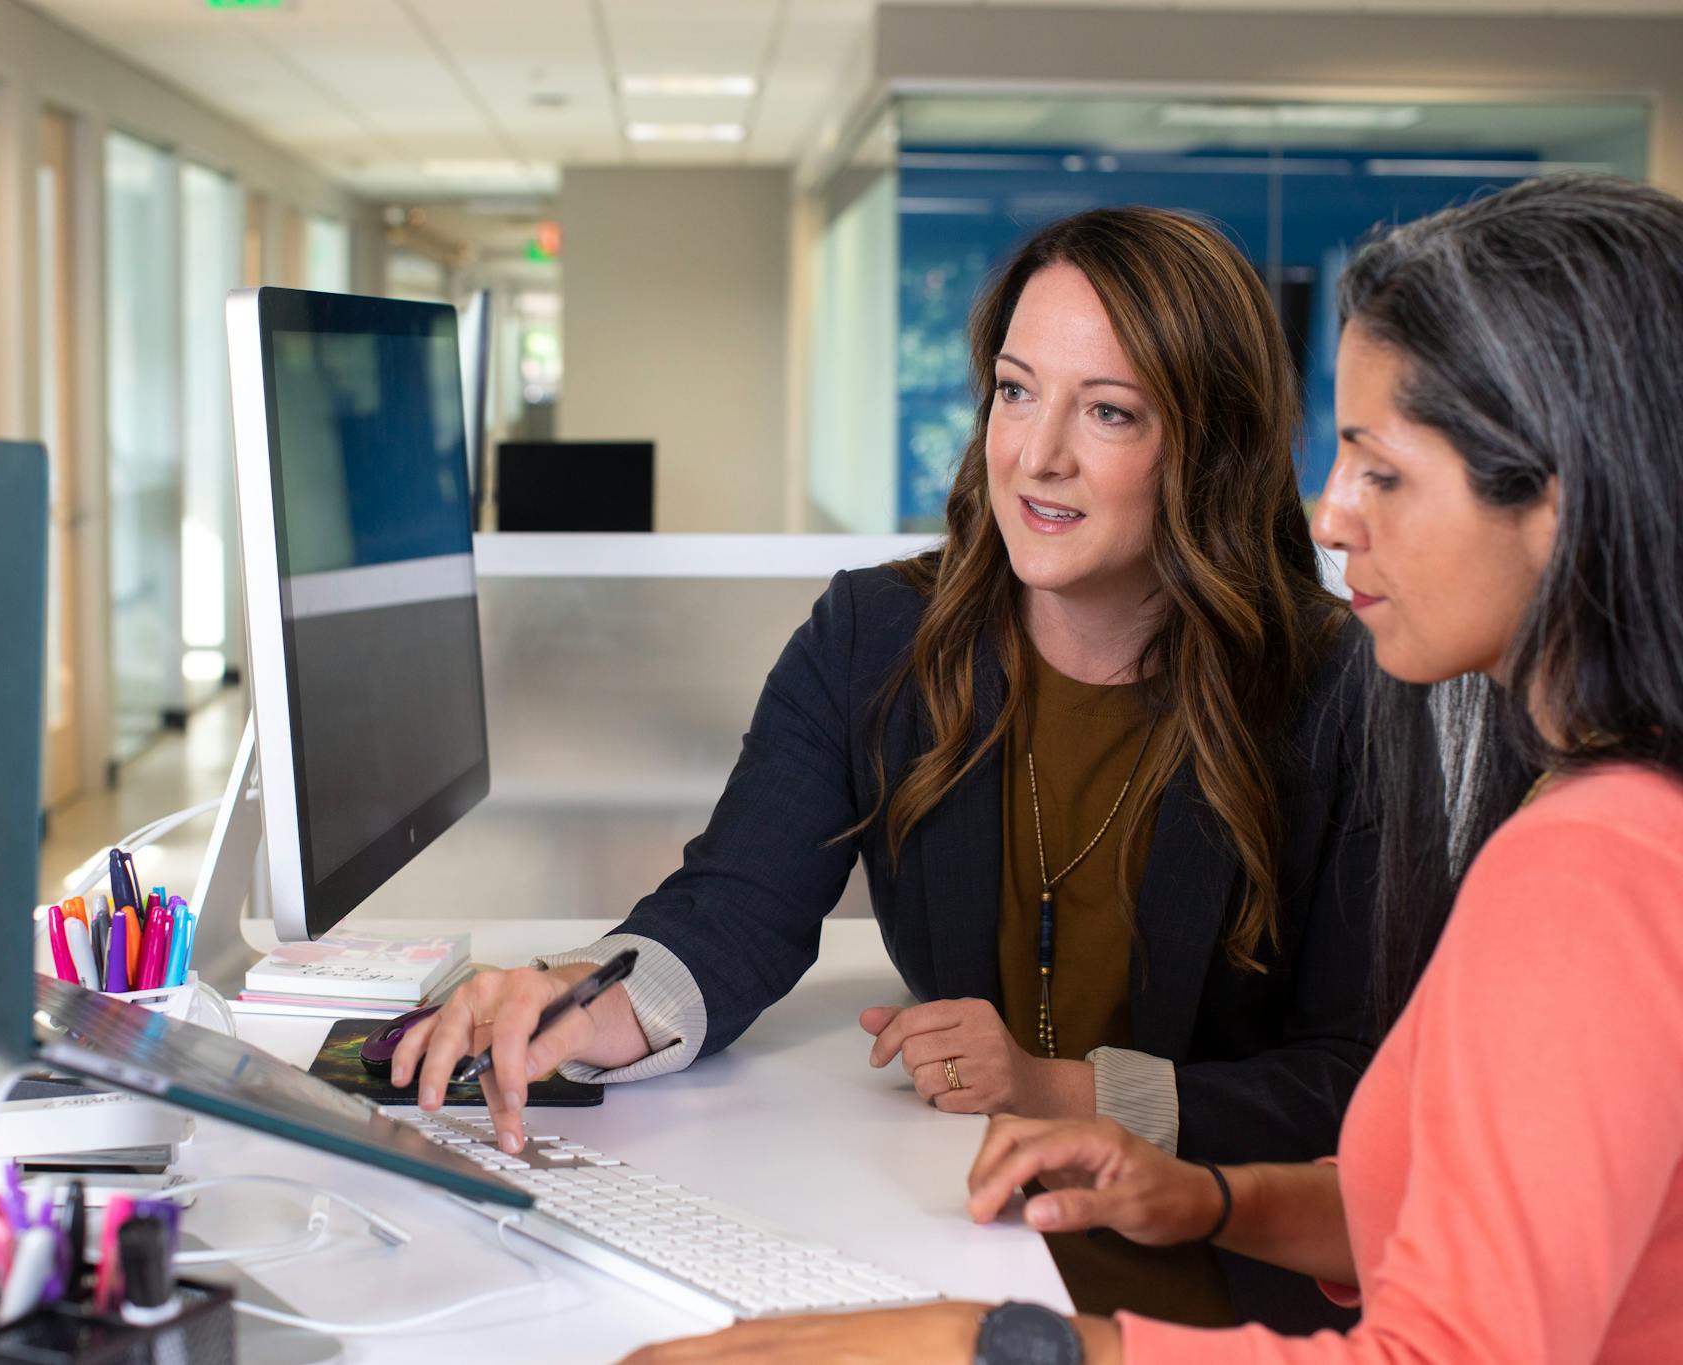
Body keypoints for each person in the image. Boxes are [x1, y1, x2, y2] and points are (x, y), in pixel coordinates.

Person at [624, 172, 1683, 1364]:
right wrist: (1205, 1196)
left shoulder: (1581, 856)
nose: (1331, 517)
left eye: (1381, 469)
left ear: (1560, 502)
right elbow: (1443, 1206)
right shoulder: (1592, 813)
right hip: (1061, 1217)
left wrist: (980, 1343)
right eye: (1014, 394)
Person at [396, 206, 1380, 1328]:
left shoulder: (1334, 692)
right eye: (1015, 391)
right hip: (955, 1238)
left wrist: (1061, 1089)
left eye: (1106, 412)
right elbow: (734, 905)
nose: (1034, 455)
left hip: (1225, 1284)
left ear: (1209, 448)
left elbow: (1355, 1079)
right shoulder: (876, 637)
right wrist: (577, 1000)